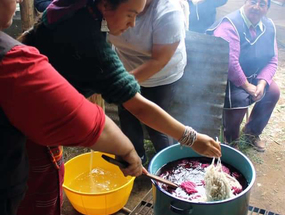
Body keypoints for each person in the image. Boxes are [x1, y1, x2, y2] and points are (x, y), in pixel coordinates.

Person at [17, 0, 221, 214]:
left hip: (24, 99)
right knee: (39, 190)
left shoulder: (75, 6)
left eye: (138, 15)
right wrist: (191, 138)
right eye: (130, 14)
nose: (132, 24)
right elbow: (139, 108)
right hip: (30, 119)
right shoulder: (90, 42)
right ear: (106, 4)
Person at [0, 0, 144, 214]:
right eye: (130, 14)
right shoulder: (12, 62)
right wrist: (128, 151)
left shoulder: (66, 13)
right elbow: (94, 125)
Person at [108, 0, 187, 164]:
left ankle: (167, 167)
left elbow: (159, 60)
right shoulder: (108, 4)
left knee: (156, 124)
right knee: (127, 115)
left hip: (161, 75)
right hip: (126, 65)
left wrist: (121, 85)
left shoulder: (168, 12)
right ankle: (136, 159)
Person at [207, 0, 280, 152]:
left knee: (273, 92)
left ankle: (251, 133)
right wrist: (247, 87)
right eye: (253, 2)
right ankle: (231, 142)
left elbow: (273, 59)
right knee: (239, 100)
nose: (256, 7)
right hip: (227, 78)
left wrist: (261, 84)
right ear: (245, 2)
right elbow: (230, 63)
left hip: (254, 76)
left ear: (267, 8)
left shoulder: (269, 26)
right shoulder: (230, 25)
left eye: (262, 4)